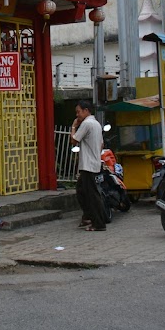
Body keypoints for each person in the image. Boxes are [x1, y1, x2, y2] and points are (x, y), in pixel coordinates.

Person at [70, 99, 107, 231]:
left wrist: (74, 126)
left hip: (88, 165)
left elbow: (74, 140)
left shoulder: (86, 124)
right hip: (93, 162)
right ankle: (88, 217)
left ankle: (98, 223)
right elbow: (101, 144)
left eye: (79, 112)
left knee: (92, 195)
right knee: (81, 191)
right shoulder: (96, 124)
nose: (77, 115)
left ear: (86, 111)